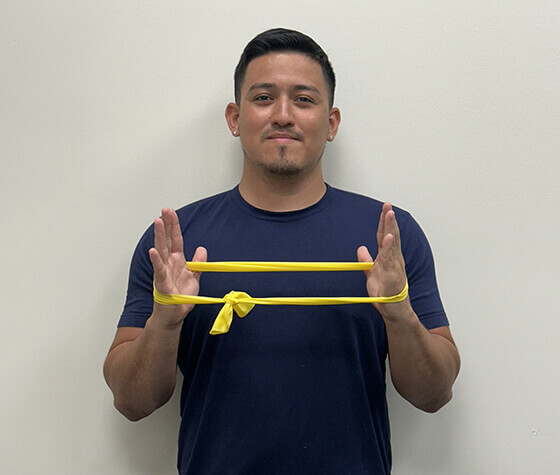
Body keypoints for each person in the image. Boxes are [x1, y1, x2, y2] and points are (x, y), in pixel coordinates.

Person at [103, 28, 460, 475]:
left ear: (331, 124)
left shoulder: (388, 235)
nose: (284, 115)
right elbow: (130, 401)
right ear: (235, 118)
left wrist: (398, 312)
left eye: (305, 100)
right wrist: (165, 319)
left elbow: (435, 394)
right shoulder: (176, 242)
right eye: (264, 98)